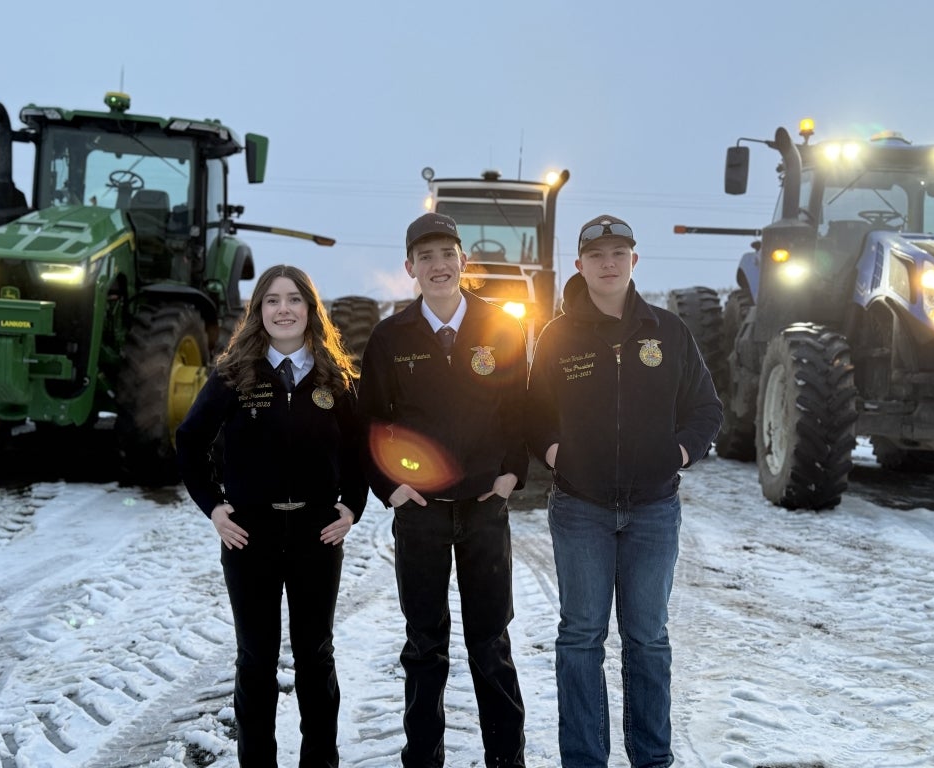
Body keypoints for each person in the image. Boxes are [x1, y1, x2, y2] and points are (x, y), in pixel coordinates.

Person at [525, 215, 723, 768]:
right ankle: (584, 759)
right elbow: (533, 415)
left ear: (634, 261)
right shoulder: (557, 337)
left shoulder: (668, 331)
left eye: (619, 253)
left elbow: (706, 409)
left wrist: (679, 453)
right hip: (580, 509)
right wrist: (555, 453)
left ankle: (651, 758)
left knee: (648, 639)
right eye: (597, 254)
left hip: (653, 511)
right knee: (581, 638)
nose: (608, 263)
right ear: (580, 264)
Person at [176, 264, 367, 768]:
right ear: (259, 312)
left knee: (315, 658)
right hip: (250, 538)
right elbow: (189, 441)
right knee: (256, 661)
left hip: (316, 536)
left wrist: (353, 505)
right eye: (272, 301)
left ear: (310, 310)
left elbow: (361, 449)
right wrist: (214, 507)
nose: (284, 309)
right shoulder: (233, 375)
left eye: (294, 300)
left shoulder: (336, 377)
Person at [357, 212, 528, 768]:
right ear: (409, 267)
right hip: (422, 514)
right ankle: (422, 760)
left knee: (491, 644)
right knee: (425, 647)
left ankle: (507, 758)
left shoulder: (501, 326)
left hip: (484, 510)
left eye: (446, 254)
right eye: (425, 257)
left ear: (463, 262)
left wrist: (510, 474)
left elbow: (521, 410)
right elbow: (371, 423)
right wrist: (390, 487)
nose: (437, 266)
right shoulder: (390, 337)